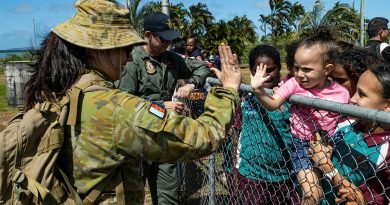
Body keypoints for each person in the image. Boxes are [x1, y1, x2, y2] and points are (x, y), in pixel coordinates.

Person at [23, 0, 241, 204]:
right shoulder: (116, 108)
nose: (129, 57)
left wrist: (191, 83)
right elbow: (203, 137)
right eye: (126, 49)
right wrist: (228, 90)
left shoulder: (60, 91)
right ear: (100, 51)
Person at [115, 12, 211, 204]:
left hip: (164, 138)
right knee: (131, 198)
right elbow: (122, 104)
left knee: (168, 197)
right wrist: (160, 106)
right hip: (138, 140)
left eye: (170, 39)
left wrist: (191, 84)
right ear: (148, 35)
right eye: (163, 39)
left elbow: (202, 68)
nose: (168, 43)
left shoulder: (171, 59)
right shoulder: (131, 61)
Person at [250, 28, 350, 204]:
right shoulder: (294, 84)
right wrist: (258, 89)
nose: (299, 74)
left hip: (329, 144)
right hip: (301, 145)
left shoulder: (341, 94)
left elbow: (346, 122)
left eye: (307, 69)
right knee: (313, 194)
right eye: (297, 67)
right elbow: (273, 104)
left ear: (327, 69)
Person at [224, 45, 300, 204]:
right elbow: (236, 131)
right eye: (258, 70)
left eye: (270, 69)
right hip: (253, 175)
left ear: (280, 68)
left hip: (286, 174)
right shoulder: (246, 97)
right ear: (251, 71)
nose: (264, 75)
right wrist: (233, 169)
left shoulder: (293, 98)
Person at [310, 65, 390, 204]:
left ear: (387, 106)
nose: (352, 99)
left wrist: (327, 166)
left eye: (362, 94)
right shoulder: (346, 124)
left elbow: (360, 199)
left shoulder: (386, 152)